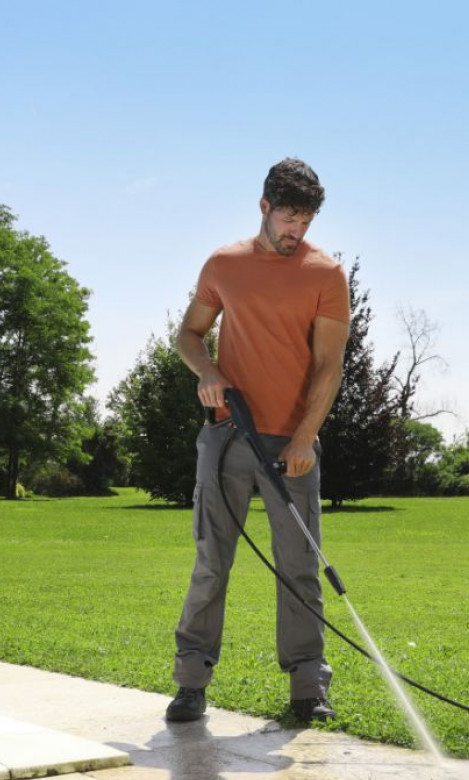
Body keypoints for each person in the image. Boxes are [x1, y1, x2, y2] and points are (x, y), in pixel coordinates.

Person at [166, 158, 350, 724]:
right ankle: (191, 683)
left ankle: (307, 688)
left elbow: (329, 365)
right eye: (290, 218)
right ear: (264, 206)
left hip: (292, 443)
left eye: (307, 221)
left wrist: (304, 438)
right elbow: (188, 334)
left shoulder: (326, 274)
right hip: (227, 436)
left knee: (299, 566)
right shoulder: (224, 264)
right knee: (211, 561)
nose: (298, 230)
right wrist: (206, 370)